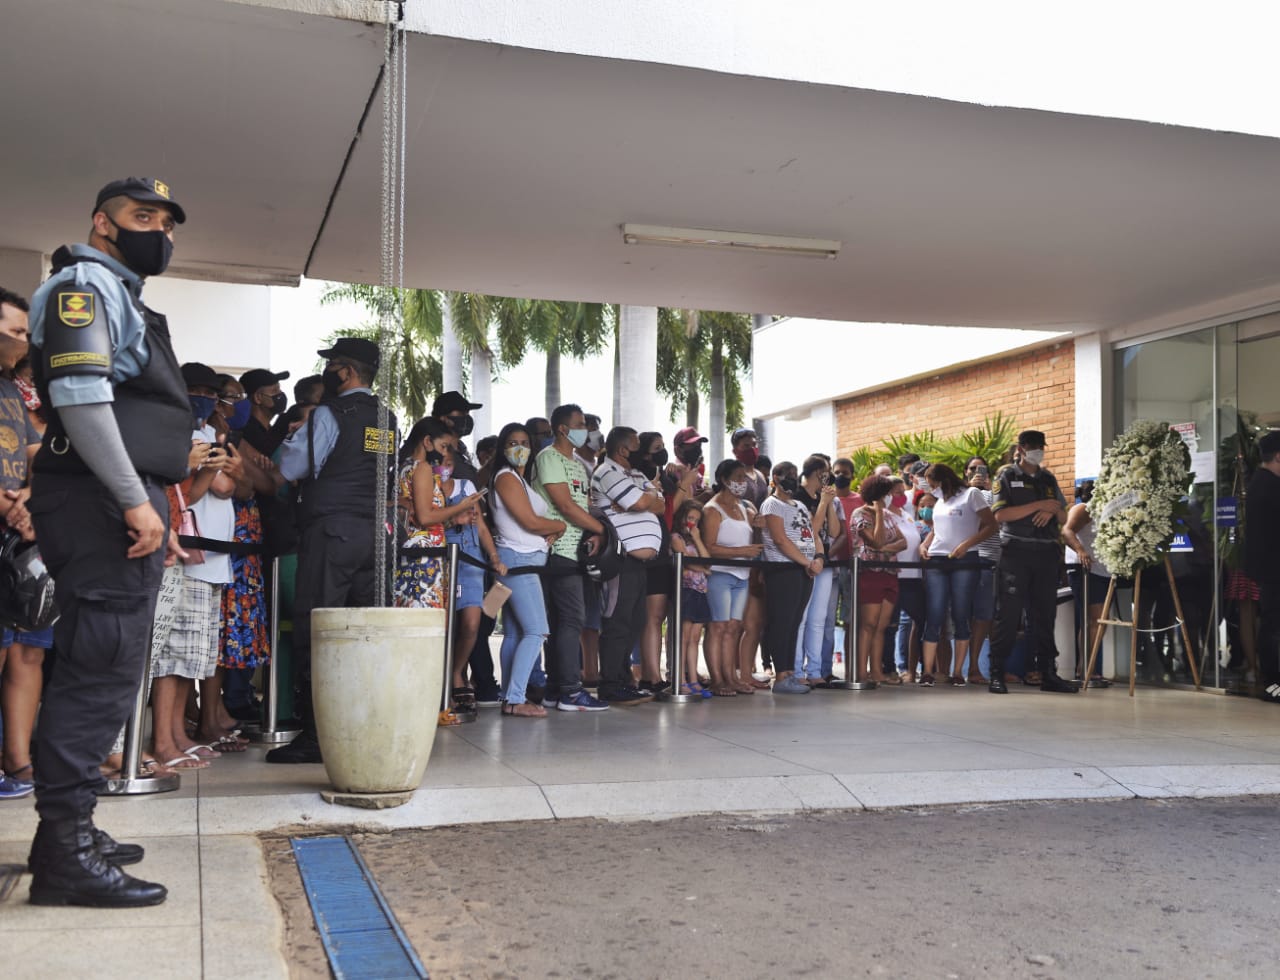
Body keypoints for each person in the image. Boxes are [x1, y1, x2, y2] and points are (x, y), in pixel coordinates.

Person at [24, 177, 193, 906]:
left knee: (110, 664)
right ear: (103, 223)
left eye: (166, 221)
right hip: (100, 499)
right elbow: (81, 396)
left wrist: (153, 501)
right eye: (141, 216)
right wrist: (134, 499)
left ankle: (65, 831)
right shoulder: (83, 285)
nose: (158, 230)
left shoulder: (120, 292)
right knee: (99, 668)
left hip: (115, 498)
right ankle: (65, 850)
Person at [268, 337, 397, 762]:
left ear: (347, 371)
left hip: (331, 533)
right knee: (363, 634)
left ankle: (317, 736)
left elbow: (288, 469)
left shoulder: (328, 413)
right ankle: (362, 727)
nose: (328, 372)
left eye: (334, 365)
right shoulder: (387, 418)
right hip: (373, 537)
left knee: (318, 630)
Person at [532, 403, 610, 711]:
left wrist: (594, 530)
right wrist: (601, 530)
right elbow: (564, 505)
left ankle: (554, 688)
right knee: (570, 619)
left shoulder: (578, 464)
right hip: (558, 550)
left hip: (578, 550)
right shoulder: (548, 458)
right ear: (563, 429)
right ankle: (570, 690)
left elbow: (584, 503)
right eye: (580, 424)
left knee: (565, 620)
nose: (586, 430)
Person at [988, 430, 1076, 694]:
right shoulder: (1006, 475)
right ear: (1021, 448)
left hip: (1047, 553)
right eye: (1032, 446)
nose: (1037, 450)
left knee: (1044, 616)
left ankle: (1048, 673)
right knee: (1009, 615)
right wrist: (1041, 505)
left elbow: (1062, 517)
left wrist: (1052, 507)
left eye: (1041, 446)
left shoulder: (1048, 478)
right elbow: (1001, 514)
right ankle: (997, 673)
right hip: (1016, 552)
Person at [490, 422, 564, 717]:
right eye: (512, 442)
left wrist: (551, 531)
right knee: (536, 631)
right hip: (518, 562)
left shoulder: (519, 480)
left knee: (515, 633)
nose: (519, 448)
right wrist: (560, 525)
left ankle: (510, 696)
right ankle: (515, 698)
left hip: (522, 560)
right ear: (502, 448)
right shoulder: (506, 477)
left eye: (524, 442)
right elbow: (530, 523)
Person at [0, 287, 42, 801]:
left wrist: (31, 498)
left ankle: (20, 761)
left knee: (26, 652)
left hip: (19, 541)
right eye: (13, 333)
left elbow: (36, 452)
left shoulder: (14, 391)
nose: (22, 342)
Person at [591, 426, 665, 705]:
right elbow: (640, 501)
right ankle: (609, 684)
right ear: (623, 450)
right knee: (617, 621)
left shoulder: (635, 474)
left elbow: (658, 504)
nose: (644, 454)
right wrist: (643, 500)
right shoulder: (606, 472)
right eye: (638, 447)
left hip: (639, 564)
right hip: (619, 559)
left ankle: (623, 680)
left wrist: (644, 501)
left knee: (636, 621)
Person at [918, 463, 995, 688]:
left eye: (934, 485)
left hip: (965, 559)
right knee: (934, 614)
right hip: (937, 559)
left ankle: (958, 672)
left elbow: (991, 525)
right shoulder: (941, 501)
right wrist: (925, 544)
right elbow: (937, 528)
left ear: (944, 481)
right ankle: (928, 672)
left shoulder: (971, 494)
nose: (932, 490)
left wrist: (966, 545)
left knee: (961, 614)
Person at [760, 461, 824, 695]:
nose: (791, 478)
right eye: (786, 474)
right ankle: (781, 675)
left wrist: (818, 557)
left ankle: (790, 673)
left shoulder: (799, 504)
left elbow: (812, 533)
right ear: (775, 478)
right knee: (782, 622)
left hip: (804, 569)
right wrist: (806, 562)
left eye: (794, 474)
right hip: (783, 568)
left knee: (795, 622)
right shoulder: (771, 505)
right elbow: (780, 539)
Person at [851, 474, 907, 685]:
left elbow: (902, 542)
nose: (890, 497)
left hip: (889, 573)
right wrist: (879, 516)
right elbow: (876, 541)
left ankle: (877, 671)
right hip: (869, 573)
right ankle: (861, 672)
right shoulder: (860, 514)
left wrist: (883, 547)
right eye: (887, 494)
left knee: (881, 626)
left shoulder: (888, 514)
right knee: (868, 624)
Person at [793, 456, 842, 685]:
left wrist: (828, 502)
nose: (829, 474)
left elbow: (833, 531)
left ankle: (814, 671)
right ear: (815, 472)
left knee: (818, 618)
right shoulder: (798, 497)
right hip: (804, 560)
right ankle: (796, 670)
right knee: (800, 617)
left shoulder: (825, 497)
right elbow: (810, 530)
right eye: (826, 471)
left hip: (825, 561)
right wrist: (822, 503)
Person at [1244, 430, 1280, 704]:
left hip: (1268, 568)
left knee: (1271, 622)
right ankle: (1273, 682)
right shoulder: (1269, 487)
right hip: (1273, 568)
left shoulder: (1258, 482)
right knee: (1272, 624)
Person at [670, 499, 712, 697]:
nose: (692, 523)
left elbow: (706, 560)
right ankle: (680, 679)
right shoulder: (676, 537)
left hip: (700, 591)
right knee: (684, 637)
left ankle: (694, 679)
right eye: (690, 518)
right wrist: (702, 568)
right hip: (686, 589)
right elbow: (685, 560)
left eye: (696, 520)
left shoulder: (696, 537)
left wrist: (697, 539)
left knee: (695, 637)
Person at [965, 456, 999, 684]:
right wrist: (972, 491)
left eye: (981, 469)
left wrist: (991, 492)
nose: (977, 472)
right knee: (978, 616)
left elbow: (1001, 518)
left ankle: (996, 667)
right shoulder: (963, 495)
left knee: (994, 618)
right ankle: (973, 668)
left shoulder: (996, 494)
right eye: (972, 468)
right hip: (977, 560)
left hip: (1000, 561)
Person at [238, 367, 290, 457]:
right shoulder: (249, 433)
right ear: (258, 398)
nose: (280, 394)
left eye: (279, 389)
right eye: (275, 391)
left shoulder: (268, 429)